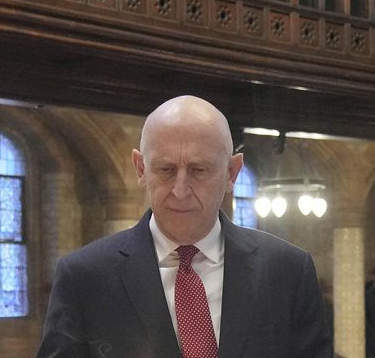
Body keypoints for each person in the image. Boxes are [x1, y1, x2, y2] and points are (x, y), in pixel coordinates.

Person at [35, 95, 332, 358]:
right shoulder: (85, 277)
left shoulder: (287, 270)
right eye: (165, 170)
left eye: (198, 170)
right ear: (141, 169)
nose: (180, 190)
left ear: (232, 172)